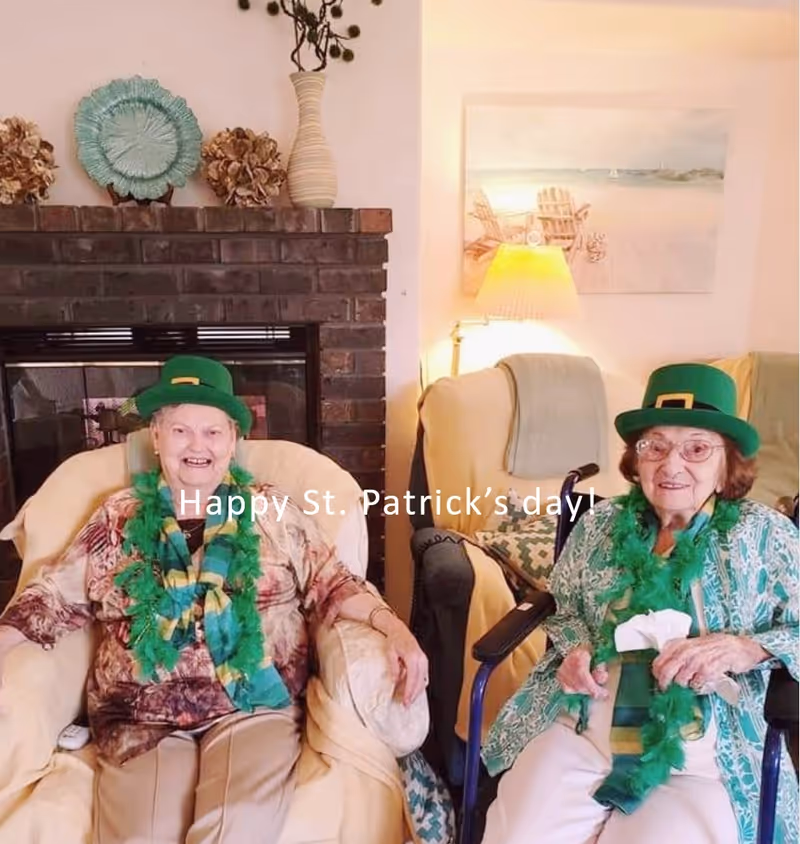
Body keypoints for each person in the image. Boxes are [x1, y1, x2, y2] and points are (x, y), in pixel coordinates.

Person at [0, 354, 429, 844]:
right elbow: (53, 596)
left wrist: (395, 629)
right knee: (140, 836)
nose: (196, 446)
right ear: (156, 437)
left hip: (252, 703)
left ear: (233, 441)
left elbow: (333, 583)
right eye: (181, 430)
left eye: (212, 432)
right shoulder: (118, 519)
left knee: (236, 828)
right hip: (143, 713)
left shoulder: (271, 511)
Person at [480, 363, 799, 844]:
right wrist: (574, 653)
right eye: (655, 446)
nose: (671, 466)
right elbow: (565, 611)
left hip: (701, 754)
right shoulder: (600, 525)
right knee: (517, 833)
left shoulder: (766, 535)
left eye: (696, 448)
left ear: (727, 463)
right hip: (586, 728)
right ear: (636, 458)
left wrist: (743, 648)